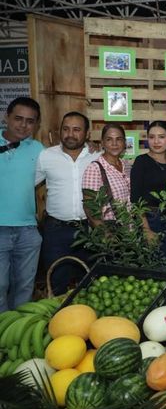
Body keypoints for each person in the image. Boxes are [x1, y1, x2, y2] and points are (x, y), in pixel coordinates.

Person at [36, 111, 99, 295]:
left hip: (90, 230)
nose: (70, 134)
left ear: (87, 134)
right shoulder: (46, 156)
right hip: (56, 231)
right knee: (56, 282)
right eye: (66, 129)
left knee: (91, 283)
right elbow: (25, 185)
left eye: (77, 129)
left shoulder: (98, 156)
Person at [0, 97, 44, 311]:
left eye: (30, 121)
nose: (23, 125)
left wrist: (90, 148)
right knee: (0, 285)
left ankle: (17, 333)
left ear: (36, 125)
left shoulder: (38, 149)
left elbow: (65, 158)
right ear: (6, 117)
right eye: (18, 118)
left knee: (25, 287)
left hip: (28, 230)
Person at [130, 121, 166, 258]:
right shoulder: (141, 161)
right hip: (149, 219)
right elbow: (135, 199)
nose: (156, 141)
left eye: (161, 137)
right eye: (152, 137)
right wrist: (146, 229)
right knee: (152, 263)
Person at [82, 123, 131, 226]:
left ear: (124, 143)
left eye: (119, 139)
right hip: (111, 231)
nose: (114, 144)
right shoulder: (95, 168)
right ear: (102, 143)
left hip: (130, 231)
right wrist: (105, 235)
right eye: (109, 139)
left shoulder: (126, 165)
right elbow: (89, 207)